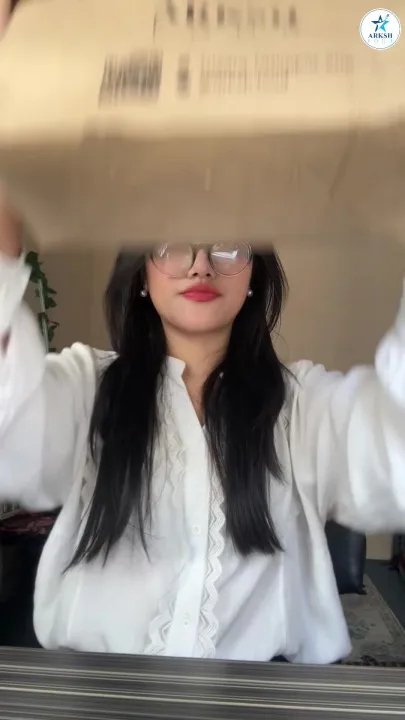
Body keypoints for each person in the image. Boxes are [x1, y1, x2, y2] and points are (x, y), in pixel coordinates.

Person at [1, 2, 405, 666]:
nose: (198, 264)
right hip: (93, 699)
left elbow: (394, 454)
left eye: (227, 244)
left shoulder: (304, 410)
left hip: (266, 701)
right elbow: (8, 428)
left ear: (254, 274)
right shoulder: (83, 391)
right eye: (171, 242)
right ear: (140, 273)